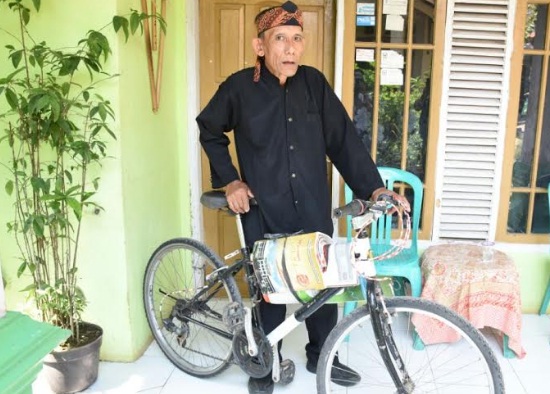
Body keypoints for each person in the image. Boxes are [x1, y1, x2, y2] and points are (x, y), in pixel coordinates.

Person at [197, 2, 409, 393]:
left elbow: (343, 140)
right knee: (269, 286)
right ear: (260, 46)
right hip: (263, 206)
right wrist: (230, 181)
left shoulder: (314, 84)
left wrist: (374, 187)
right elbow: (209, 129)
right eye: (281, 39)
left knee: (322, 281)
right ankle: (266, 361)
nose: (291, 48)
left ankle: (322, 353)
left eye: (297, 39)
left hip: (311, 202)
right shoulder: (239, 88)